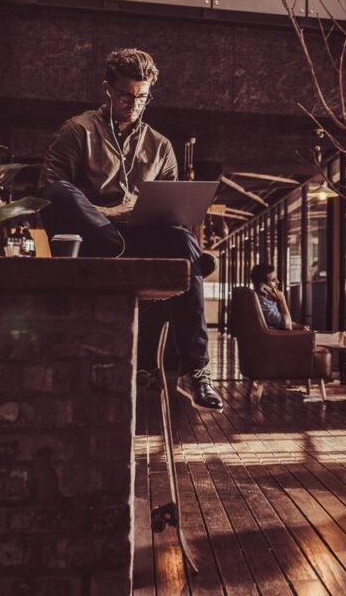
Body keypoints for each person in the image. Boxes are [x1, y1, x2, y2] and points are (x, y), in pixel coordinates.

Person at [38, 48, 223, 411]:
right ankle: (190, 266)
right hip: (96, 237)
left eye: (142, 97)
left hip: (139, 235)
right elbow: (49, 198)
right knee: (60, 192)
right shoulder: (78, 131)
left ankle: (195, 369)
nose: (134, 104)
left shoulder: (161, 146)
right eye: (126, 95)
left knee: (183, 238)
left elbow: (171, 211)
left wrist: (154, 216)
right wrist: (107, 212)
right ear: (108, 89)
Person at [251, 263, 303, 331]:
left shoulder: (267, 299)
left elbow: (281, 321)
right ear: (263, 286)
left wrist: (300, 327)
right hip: (272, 339)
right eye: (273, 280)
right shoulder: (262, 302)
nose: (278, 282)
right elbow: (287, 326)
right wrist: (282, 301)